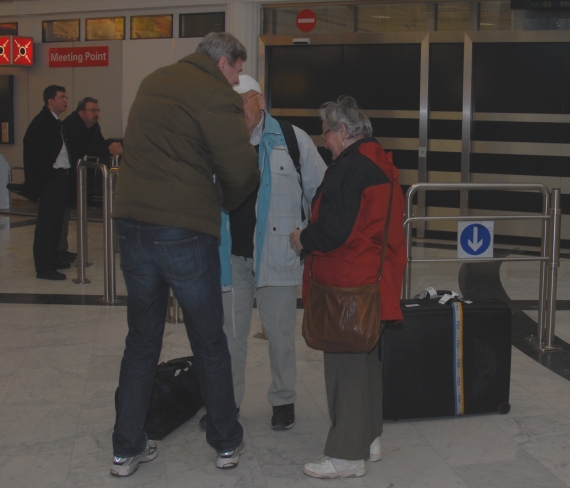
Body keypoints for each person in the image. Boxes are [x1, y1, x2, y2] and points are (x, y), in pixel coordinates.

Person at [110, 32, 259, 477]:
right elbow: (240, 171)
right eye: (236, 71)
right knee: (209, 339)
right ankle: (226, 441)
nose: (235, 82)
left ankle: (125, 449)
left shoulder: (154, 80)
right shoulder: (216, 94)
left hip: (132, 228)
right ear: (225, 63)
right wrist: (222, 199)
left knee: (141, 341)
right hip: (183, 233)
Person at [199, 75, 326, 431]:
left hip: (277, 258)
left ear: (260, 101)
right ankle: (227, 404)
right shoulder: (220, 142)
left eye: (242, 102)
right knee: (230, 338)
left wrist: (311, 234)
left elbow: (321, 190)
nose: (237, 110)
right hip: (232, 259)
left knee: (281, 336)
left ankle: (283, 399)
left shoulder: (291, 139)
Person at [289, 96, 406, 479]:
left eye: (325, 134)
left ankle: (345, 456)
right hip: (375, 280)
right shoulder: (381, 164)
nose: (324, 142)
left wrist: (302, 238)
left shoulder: (349, 169)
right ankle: (368, 438)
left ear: (342, 131)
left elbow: (335, 230)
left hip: (347, 284)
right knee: (367, 361)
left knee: (346, 366)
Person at [60, 97, 123, 262]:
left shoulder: (93, 126)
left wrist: (110, 148)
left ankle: (62, 249)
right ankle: (59, 249)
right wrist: (107, 149)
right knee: (63, 212)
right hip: (66, 175)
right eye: (92, 110)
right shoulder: (72, 124)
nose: (96, 114)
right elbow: (80, 147)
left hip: (81, 174)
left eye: (97, 110)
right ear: (82, 112)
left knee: (69, 211)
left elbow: (100, 144)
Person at [20, 85, 72, 281]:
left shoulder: (55, 122)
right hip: (50, 178)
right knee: (47, 224)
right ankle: (43, 266)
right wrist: (48, 175)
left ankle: (53, 258)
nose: (65, 100)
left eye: (66, 97)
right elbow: (35, 154)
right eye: (61, 97)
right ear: (50, 101)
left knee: (57, 221)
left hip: (59, 177)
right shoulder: (42, 122)